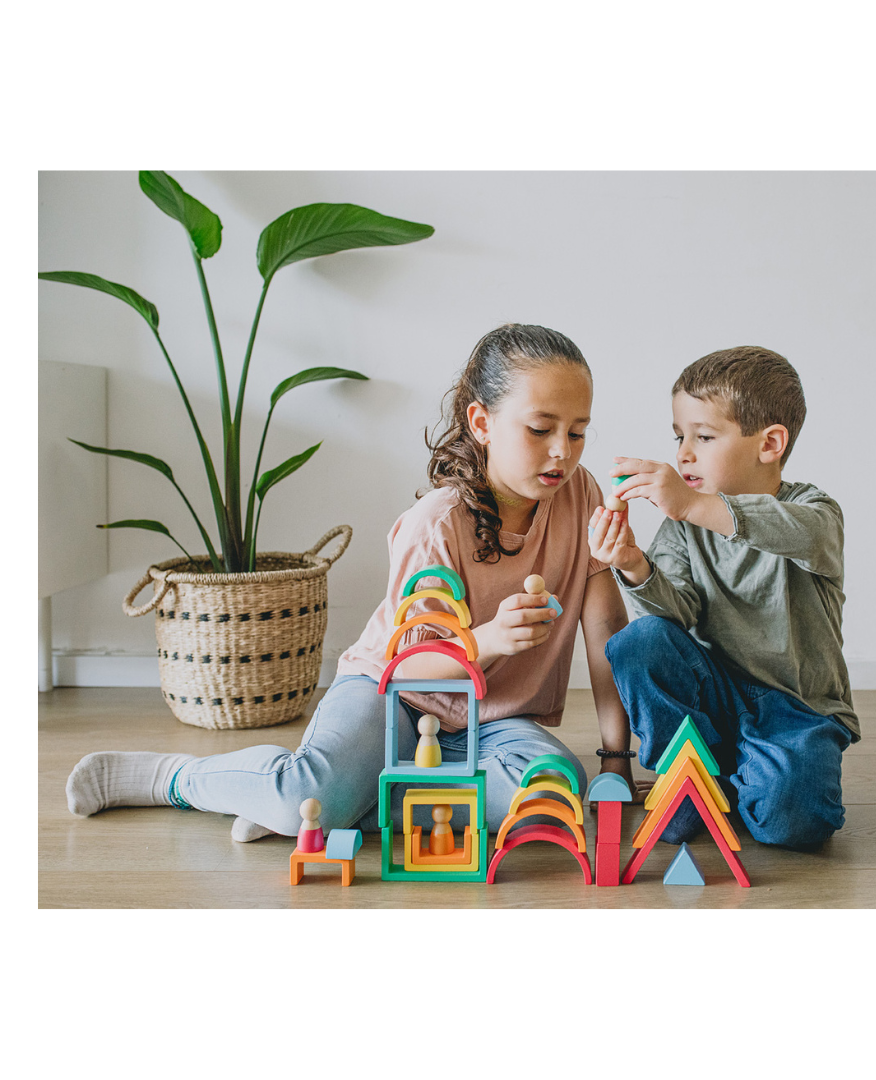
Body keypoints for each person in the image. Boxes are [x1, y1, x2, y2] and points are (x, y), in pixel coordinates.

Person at [66, 323, 640, 841]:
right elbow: (407, 668)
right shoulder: (434, 524)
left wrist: (615, 760)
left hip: (494, 722)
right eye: (541, 429)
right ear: (482, 423)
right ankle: (185, 780)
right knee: (305, 799)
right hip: (392, 699)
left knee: (552, 797)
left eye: (578, 432)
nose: (562, 452)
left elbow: (607, 633)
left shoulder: (582, 495)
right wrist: (488, 641)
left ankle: (328, 803)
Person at [588, 345, 860, 851]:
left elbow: (797, 532)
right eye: (679, 437)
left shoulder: (814, 510)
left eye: (704, 437)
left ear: (770, 443)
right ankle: (690, 773)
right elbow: (674, 616)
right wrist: (632, 563)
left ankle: (744, 775)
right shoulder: (681, 529)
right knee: (638, 641)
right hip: (713, 697)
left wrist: (694, 503)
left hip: (796, 710)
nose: (683, 453)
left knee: (791, 824)